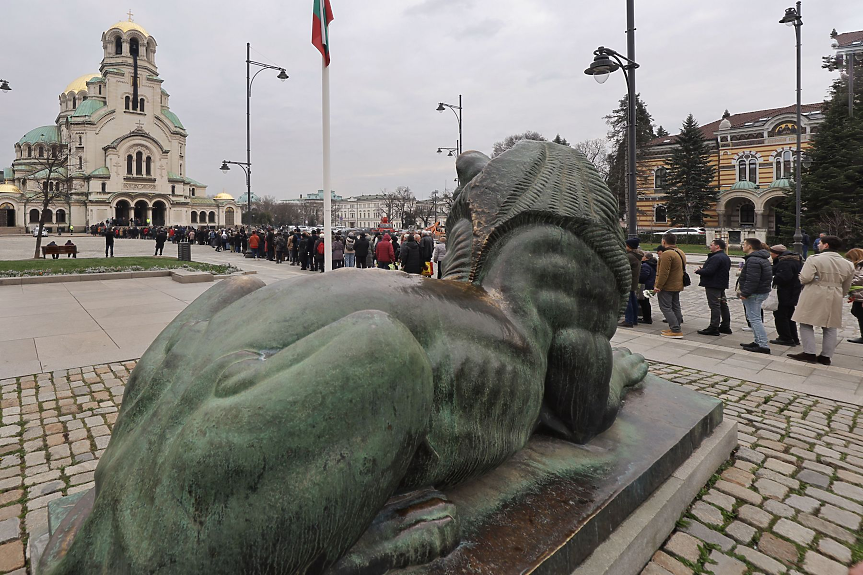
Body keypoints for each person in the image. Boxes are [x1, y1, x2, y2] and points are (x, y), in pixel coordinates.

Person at [788, 236, 855, 365]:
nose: (818, 245)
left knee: (806, 321)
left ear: (826, 245)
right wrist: (840, 293)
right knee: (830, 325)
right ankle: (826, 356)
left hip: (815, 291)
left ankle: (809, 352)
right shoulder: (848, 264)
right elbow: (847, 285)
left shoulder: (814, 259)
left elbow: (805, 278)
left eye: (820, 243)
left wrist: (802, 278)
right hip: (835, 293)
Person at [738, 238, 773, 354]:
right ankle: (757, 341)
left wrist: (745, 293)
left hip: (754, 293)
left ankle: (762, 344)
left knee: (755, 319)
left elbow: (752, 280)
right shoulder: (762, 258)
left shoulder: (753, 260)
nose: (743, 246)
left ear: (750, 246)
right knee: (753, 318)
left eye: (744, 244)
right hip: (759, 292)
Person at [695, 239, 732, 336]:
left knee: (715, 305)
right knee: (723, 304)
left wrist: (699, 271)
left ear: (717, 246)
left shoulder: (716, 257)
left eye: (711, 245)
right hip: (721, 284)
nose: (710, 246)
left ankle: (714, 327)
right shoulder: (724, 256)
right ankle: (725, 325)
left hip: (713, 284)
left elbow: (710, 271)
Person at [768, 244, 803, 347]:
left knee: (781, 316)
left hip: (785, 293)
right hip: (793, 292)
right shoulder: (795, 261)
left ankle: (785, 337)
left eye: (771, 253)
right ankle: (793, 337)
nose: (770, 255)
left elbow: (783, 278)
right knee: (789, 316)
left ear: (777, 254)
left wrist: (773, 278)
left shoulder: (785, 263)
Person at [654, 233, 686, 338]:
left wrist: (658, 286)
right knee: (675, 306)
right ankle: (676, 327)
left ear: (664, 241)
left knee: (666, 307)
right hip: (677, 284)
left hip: (668, 285)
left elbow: (664, 272)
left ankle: (676, 330)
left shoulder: (667, 254)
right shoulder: (680, 252)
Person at [620, 238, 643, 328]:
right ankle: (634, 319)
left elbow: (622, 267)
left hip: (628, 281)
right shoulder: (637, 255)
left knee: (627, 301)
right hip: (634, 281)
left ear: (629, 246)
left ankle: (628, 320)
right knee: (633, 300)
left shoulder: (630, 257)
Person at [847, 248, 863, 344]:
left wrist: (848, 282)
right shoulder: (859, 266)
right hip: (859, 295)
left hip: (861, 295)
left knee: (859, 312)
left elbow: (860, 279)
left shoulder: (861, 266)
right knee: (856, 311)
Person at [638, 252, 657, 324]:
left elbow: (643, 276)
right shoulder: (652, 264)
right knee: (646, 302)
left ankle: (647, 318)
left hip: (645, 286)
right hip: (650, 285)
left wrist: (638, 279)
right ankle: (647, 317)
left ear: (646, 258)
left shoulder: (646, 265)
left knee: (644, 302)